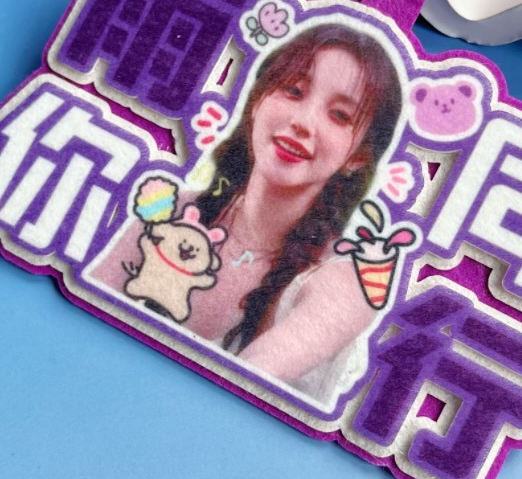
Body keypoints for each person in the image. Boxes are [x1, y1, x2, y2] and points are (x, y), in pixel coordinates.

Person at [92, 21, 403, 402]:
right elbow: (87, 308)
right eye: (293, 90)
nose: (303, 123)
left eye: (339, 115)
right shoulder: (173, 210)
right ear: (257, 101)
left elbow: (228, 394)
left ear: (359, 157)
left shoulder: (343, 280)